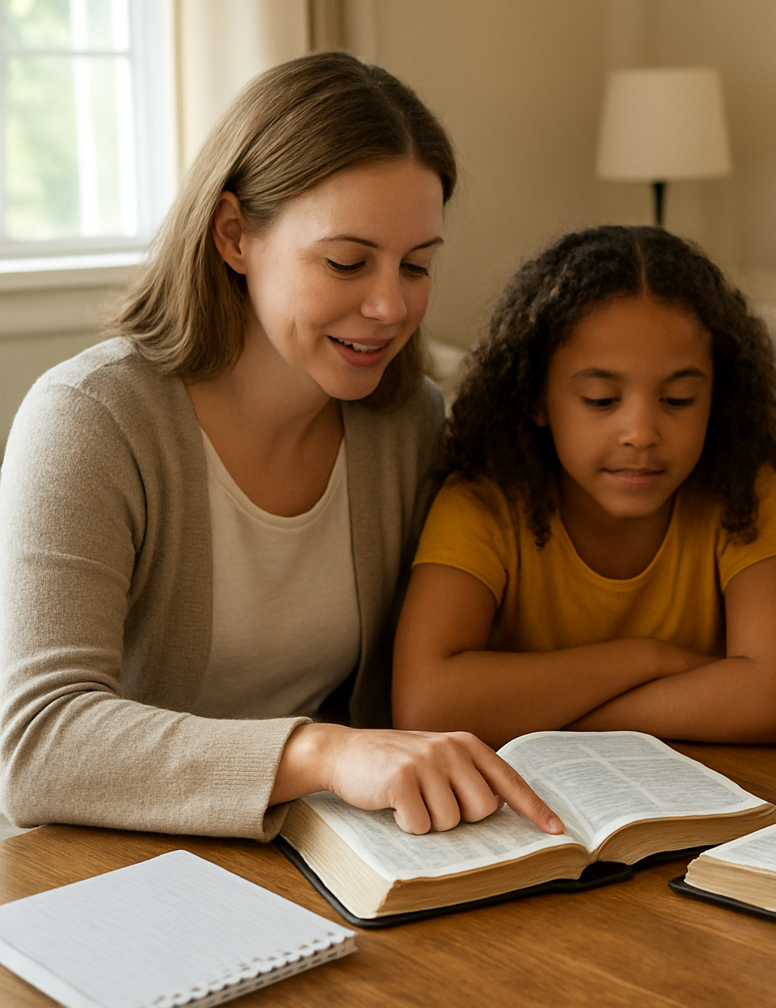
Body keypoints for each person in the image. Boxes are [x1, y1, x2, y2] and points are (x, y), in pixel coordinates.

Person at [0, 52, 561, 841]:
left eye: (418, 265)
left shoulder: (407, 422)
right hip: (112, 864)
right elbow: (40, 745)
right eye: (346, 261)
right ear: (235, 235)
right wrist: (322, 753)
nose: (390, 305)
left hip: (332, 851)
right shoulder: (90, 421)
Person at [391, 225, 776, 747]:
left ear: (717, 398)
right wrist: (649, 658)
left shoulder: (744, 494)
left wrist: (548, 718)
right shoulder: (485, 502)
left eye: (678, 400)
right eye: (600, 399)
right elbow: (425, 704)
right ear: (536, 398)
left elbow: (771, 702)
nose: (641, 434)